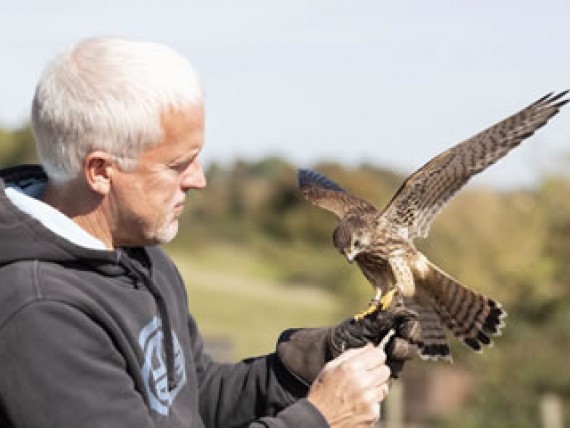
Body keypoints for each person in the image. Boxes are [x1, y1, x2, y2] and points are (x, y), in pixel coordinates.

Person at [0, 37, 420, 427]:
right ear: (100, 172)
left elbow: (194, 395)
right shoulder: (38, 310)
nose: (198, 180)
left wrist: (307, 366)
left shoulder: (137, 255)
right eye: (178, 164)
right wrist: (320, 417)